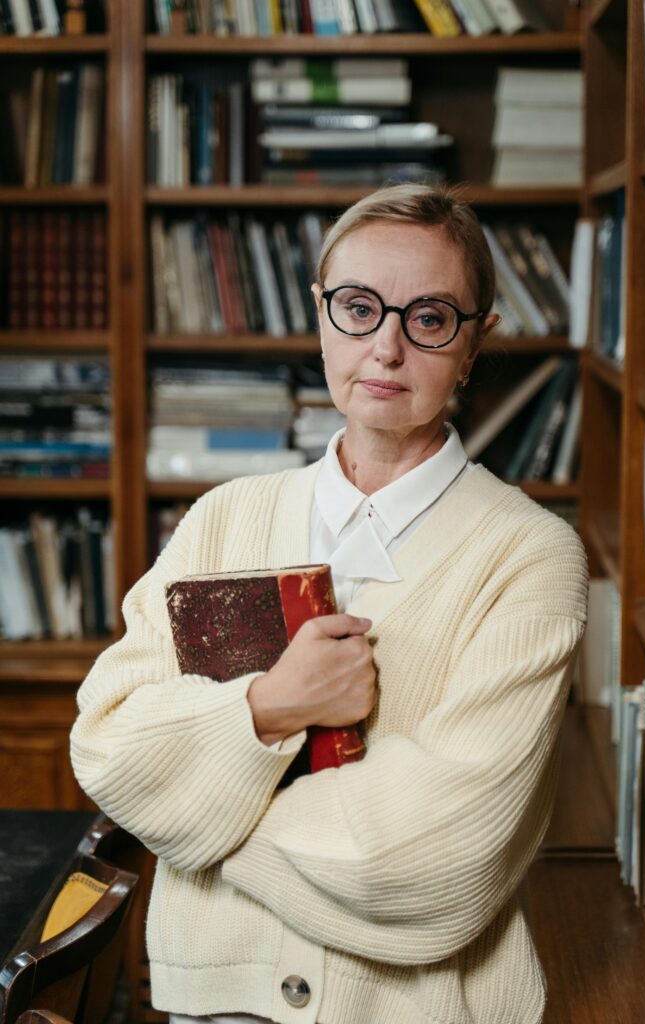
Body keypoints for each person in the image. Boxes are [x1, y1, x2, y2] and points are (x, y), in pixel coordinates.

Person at [70, 183, 588, 1024]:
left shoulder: (529, 556)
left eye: (427, 318)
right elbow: (108, 750)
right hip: (215, 1007)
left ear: (474, 343)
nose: (384, 348)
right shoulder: (223, 517)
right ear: (320, 316)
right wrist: (270, 708)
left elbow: (436, 862)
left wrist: (197, 818)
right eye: (357, 308)